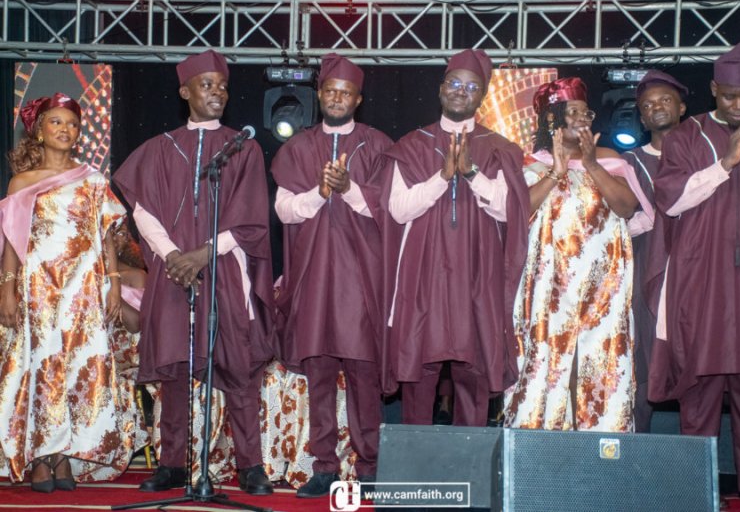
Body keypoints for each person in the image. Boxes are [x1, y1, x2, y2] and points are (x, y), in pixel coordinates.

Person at [113, 49, 275, 495]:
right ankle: (173, 463)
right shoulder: (160, 148)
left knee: (238, 368)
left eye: (222, 86)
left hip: (224, 268)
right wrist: (170, 256)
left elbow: (251, 215)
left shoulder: (242, 147)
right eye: (207, 85)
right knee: (174, 369)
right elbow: (141, 210)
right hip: (172, 271)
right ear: (185, 91)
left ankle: (250, 465)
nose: (217, 93)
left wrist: (203, 253)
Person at [647, 42, 740, 508]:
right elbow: (671, 201)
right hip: (701, 281)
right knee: (698, 394)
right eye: (730, 96)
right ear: (713, 89)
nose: (738, 106)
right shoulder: (685, 137)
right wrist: (725, 163)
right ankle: (697, 495)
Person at [383, 49, 529, 427]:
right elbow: (398, 209)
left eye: (472, 86)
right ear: (441, 89)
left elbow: (508, 210)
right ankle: (414, 472)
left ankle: (470, 471)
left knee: (474, 373)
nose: (461, 91)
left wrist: (470, 173)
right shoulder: (411, 145)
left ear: (482, 96)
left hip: (476, 274)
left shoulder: (501, 148)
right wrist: (442, 177)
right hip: (423, 274)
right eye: (454, 83)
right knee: (420, 371)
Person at [271, 52, 392, 498]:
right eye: (330, 92)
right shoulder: (298, 148)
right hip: (314, 278)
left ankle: (370, 469)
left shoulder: (379, 146)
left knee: (364, 379)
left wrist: (350, 189)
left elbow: (390, 210)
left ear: (358, 99)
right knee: (319, 377)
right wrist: (321, 194)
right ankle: (324, 467)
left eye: (346, 93)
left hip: (361, 282)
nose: (337, 99)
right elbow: (283, 208)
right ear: (319, 95)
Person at [0, 93, 134, 491]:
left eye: (72, 124)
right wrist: (6, 292)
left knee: (78, 366)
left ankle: (64, 457)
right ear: (39, 130)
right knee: (42, 365)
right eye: (55, 122)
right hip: (39, 286)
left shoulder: (92, 179)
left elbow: (106, 239)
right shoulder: (21, 182)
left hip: (83, 288)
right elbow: (12, 244)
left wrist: (113, 286)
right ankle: (42, 455)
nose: (65, 129)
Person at [503, 77, 649, 432]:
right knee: (547, 360)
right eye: (573, 112)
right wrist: (557, 170)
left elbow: (627, 207)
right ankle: (538, 449)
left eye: (586, 112)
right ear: (552, 119)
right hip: (546, 286)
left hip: (602, 284)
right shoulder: (528, 163)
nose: (583, 118)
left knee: (596, 359)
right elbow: (517, 214)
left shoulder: (609, 159)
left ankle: (598, 451)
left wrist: (590, 164)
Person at [622, 70, 688, 432]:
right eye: (647, 105)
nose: (656, 108)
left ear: (681, 106)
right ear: (642, 117)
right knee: (642, 365)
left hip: (695, 269)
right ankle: (634, 459)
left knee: (696, 367)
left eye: (664, 101)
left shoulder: (705, 155)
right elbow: (612, 225)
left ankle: (697, 465)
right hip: (645, 267)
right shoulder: (628, 163)